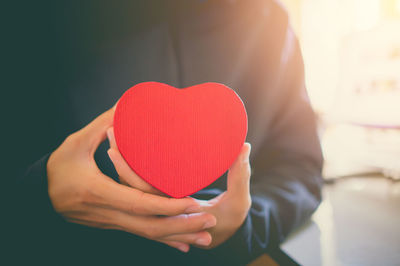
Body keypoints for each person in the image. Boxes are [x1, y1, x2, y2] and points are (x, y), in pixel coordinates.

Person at [9, 0, 323, 265]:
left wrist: (248, 224)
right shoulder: (27, 19)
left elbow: (299, 164)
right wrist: (40, 192)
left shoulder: (268, 22)